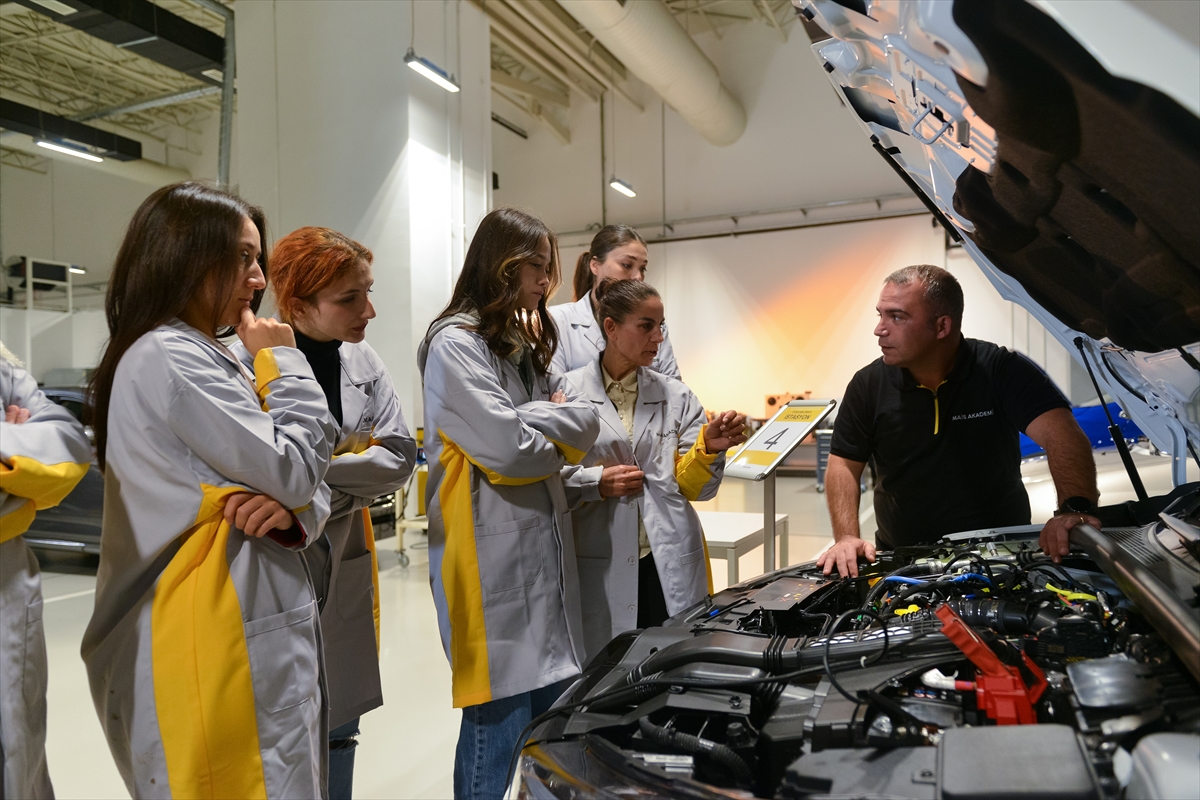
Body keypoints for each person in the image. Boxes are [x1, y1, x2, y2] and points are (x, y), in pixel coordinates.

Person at [81, 183, 338, 798]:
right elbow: (296, 468)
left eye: (257, 259)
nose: (259, 279)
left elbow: (303, 483)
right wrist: (286, 362)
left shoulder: (213, 356)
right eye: (243, 258)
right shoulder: (173, 358)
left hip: (248, 623)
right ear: (187, 258)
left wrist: (295, 510)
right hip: (207, 635)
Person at [417, 207, 600, 800]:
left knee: (546, 721)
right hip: (486, 560)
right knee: (495, 728)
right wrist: (553, 428)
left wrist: (534, 422)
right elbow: (512, 451)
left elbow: (570, 426)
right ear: (503, 265)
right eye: (537, 267)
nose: (546, 281)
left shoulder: (515, 344)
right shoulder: (455, 344)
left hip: (537, 552)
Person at [231, 227, 417, 800]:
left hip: (344, 555)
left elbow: (399, 458)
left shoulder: (363, 359)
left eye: (367, 292)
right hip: (268, 560)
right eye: (349, 298)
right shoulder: (243, 363)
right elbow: (249, 476)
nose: (370, 311)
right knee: (277, 732)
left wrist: (306, 480)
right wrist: (338, 472)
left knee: (339, 726)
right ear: (298, 303)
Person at [817, 264, 1099, 579]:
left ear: (942, 326)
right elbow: (843, 463)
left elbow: (1064, 436)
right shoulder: (868, 385)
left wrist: (1074, 511)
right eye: (880, 315)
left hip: (999, 558)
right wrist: (846, 537)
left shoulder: (1001, 370)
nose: (879, 329)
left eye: (897, 317)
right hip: (903, 561)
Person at [561, 279, 747, 658]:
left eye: (661, 326)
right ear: (611, 327)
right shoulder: (566, 394)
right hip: (600, 558)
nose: (659, 337)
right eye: (646, 326)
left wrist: (707, 450)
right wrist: (595, 483)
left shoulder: (676, 397)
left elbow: (695, 489)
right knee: (607, 667)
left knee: (670, 660)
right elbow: (547, 478)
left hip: (664, 559)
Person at [0, 352, 91, 800]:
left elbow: (69, 446)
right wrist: (15, 440)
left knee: (17, 753)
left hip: (8, 584)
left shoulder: (2, 366)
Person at [550, 224, 681, 379]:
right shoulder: (558, 320)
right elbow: (553, 388)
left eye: (642, 268)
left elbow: (674, 387)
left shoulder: (654, 325)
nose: (638, 277)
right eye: (627, 265)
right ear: (595, 265)